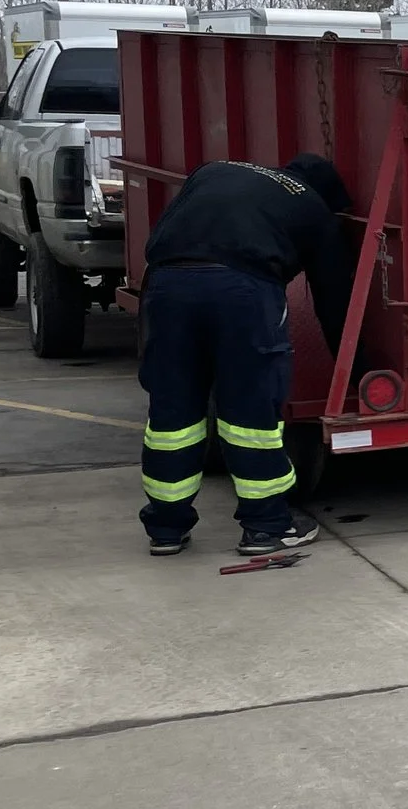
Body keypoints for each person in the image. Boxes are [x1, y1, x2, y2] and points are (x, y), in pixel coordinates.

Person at [136, 153, 354, 557]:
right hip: (242, 291)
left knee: (172, 408)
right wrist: (354, 364)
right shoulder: (313, 207)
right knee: (248, 411)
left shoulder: (216, 169)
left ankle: (166, 528)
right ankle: (267, 526)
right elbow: (334, 298)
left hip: (167, 284)